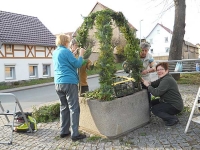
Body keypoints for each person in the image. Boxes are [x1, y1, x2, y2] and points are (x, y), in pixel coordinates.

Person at [52, 34, 86, 141]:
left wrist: (72, 53)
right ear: (65, 42)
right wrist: (80, 54)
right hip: (69, 82)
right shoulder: (66, 51)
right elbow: (77, 64)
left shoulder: (55, 52)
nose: (69, 42)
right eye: (68, 41)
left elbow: (64, 61)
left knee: (64, 107)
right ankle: (75, 134)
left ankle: (64, 131)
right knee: (74, 108)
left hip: (58, 83)